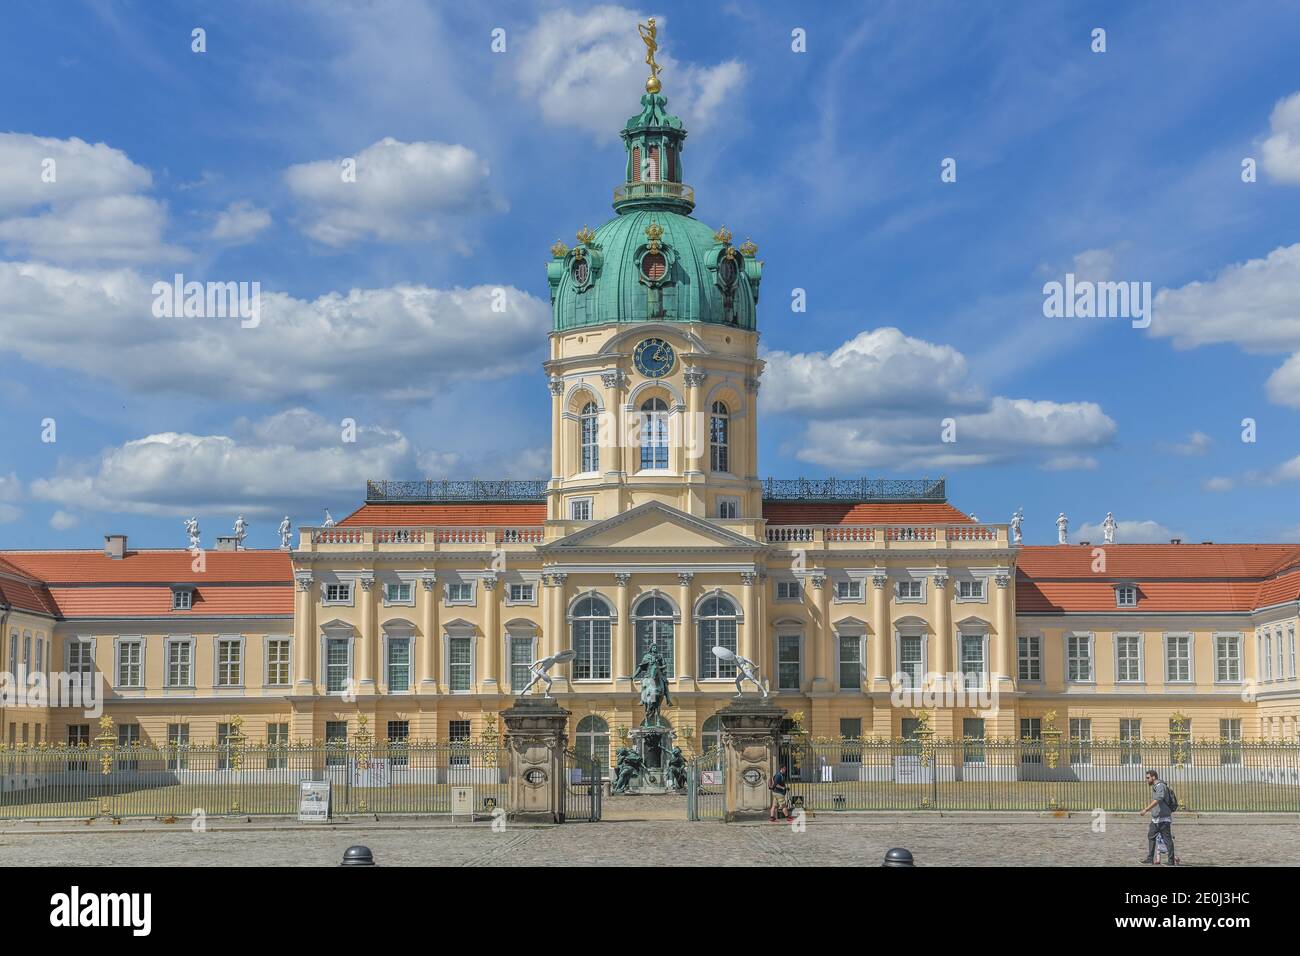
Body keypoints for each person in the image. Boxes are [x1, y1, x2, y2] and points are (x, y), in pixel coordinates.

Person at [1139, 769, 1178, 865]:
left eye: (1148, 778)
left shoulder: (1161, 786)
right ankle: (1150, 859)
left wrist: (1146, 809)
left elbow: (1158, 799)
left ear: (1153, 777)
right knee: (1151, 836)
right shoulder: (1156, 786)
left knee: (1167, 839)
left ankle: (1171, 861)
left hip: (1163, 818)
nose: (1147, 780)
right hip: (1156, 819)